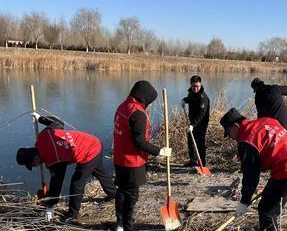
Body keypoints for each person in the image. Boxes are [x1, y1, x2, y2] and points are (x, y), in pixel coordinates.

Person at [220, 108, 287, 231]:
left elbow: (251, 175)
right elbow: (270, 146)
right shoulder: (265, 121)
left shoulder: (246, 141)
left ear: (235, 126)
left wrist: (244, 201)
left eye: (228, 133)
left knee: (267, 211)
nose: (230, 137)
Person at [16, 115, 116, 223]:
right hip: (92, 141)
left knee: (76, 184)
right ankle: (113, 193)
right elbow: (59, 123)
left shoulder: (55, 158)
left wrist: (51, 202)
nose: (35, 166)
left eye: (33, 164)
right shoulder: (43, 136)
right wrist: (41, 119)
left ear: (34, 158)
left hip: (89, 151)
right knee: (99, 172)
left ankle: (73, 214)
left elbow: (57, 182)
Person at [114, 80, 171, 231]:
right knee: (131, 196)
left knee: (121, 191)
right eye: (149, 102)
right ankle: (127, 226)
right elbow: (139, 142)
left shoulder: (122, 106)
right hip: (132, 162)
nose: (149, 105)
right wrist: (160, 151)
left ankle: (119, 224)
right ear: (144, 97)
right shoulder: (138, 114)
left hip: (119, 158)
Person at [181, 75, 210, 167]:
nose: (196, 88)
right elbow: (190, 100)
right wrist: (184, 100)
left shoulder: (203, 98)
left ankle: (202, 163)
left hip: (201, 123)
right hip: (192, 122)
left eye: (197, 86)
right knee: (190, 141)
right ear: (191, 85)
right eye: (194, 86)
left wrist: (192, 125)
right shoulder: (191, 93)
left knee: (200, 142)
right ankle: (192, 160)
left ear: (200, 84)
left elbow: (202, 114)